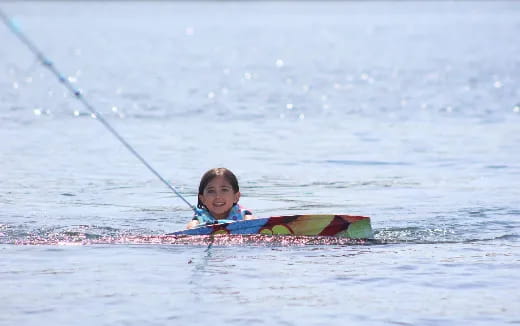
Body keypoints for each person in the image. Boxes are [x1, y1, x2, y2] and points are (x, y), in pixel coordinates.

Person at [186, 168, 254, 229]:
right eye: (211, 191)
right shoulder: (200, 218)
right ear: (202, 199)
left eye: (224, 190)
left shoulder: (244, 215)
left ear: (236, 197)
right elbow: (191, 227)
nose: (218, 196)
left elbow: (254, 222)